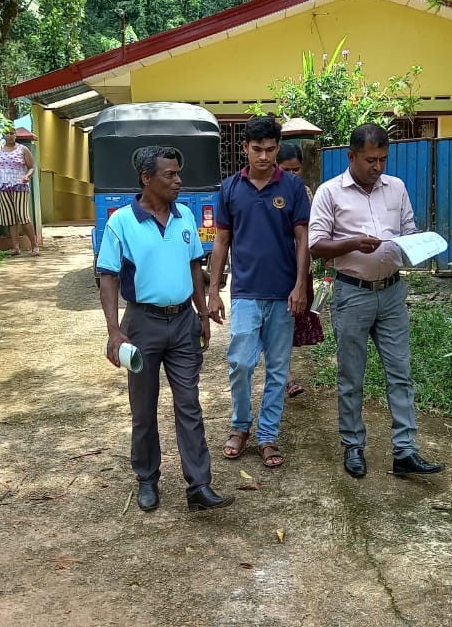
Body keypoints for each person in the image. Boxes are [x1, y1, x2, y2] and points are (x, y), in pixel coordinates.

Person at [97, 145, 234, 514]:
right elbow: (107, 276)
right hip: (141, 325)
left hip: (183, 325)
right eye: (170, 175)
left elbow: (194, 267)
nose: (179, 180)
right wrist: (114, 331)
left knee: (189, 404)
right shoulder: (121, 222)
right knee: (143, 408)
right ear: (146, 179)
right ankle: (147, 479)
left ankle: (199, 486)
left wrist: (202, 313)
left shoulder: (185, 215)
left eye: (178, 173)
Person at [309, 122, 444, 478]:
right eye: (370, 160)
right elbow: (317, 245)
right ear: (351, 156)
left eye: (383, 159)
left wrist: (418, 244)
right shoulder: (329, 193)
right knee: (351, 375)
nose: (378, 167)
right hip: (352, 293)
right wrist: (354, 243)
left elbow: (409, 231)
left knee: (400, 373)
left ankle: (405, 451)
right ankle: (353, 446)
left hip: (392, 292)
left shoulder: (396, 188)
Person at [208, 115, 310, 469]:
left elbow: (302, 239)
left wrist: (300, 285)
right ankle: (240, 425)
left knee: (279, 369)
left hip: (284, 294)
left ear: (277, 148)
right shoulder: (230, 189)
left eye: (270, 149)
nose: (264, 157)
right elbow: (222, 240)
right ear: (244, 148)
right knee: (240, 361)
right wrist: (212, 289)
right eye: (257, 149)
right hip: (245, 292)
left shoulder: (293, 189)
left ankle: (267, 435)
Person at [276, 141, 324, 398]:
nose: (292, 174)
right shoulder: (269, 191)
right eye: (287, 169)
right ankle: (286, 376)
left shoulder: (305, 192)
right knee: (277, 319)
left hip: (300, 264)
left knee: (291, 320)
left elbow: (313, 231)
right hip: (276, 266)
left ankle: (282, 370)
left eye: (296, 170)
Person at [0, 126, 40, 256]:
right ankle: (15, 247)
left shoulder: (23, 149)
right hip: (2, 187)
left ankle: (34, 245)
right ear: (3, 136)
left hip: (19, 186)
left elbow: (32, 167)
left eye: (12, 133)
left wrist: (27, 176)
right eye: (7, 133)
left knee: (23, 216)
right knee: (9, 218)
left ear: (16, 135)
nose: (10, 135)